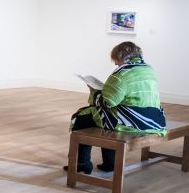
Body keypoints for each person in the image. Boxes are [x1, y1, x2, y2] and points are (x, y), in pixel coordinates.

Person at [65, 42, 166, 174]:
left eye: (116, 60)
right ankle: (110, 163)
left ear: (121, 56)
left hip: (133, 122)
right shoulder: (148, 69)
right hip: (154, 120)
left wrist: (94, 91)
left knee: (82, 117)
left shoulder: (122, 73)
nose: (116, 64)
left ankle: (82, 163)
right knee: (106, 117)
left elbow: (108, 102)